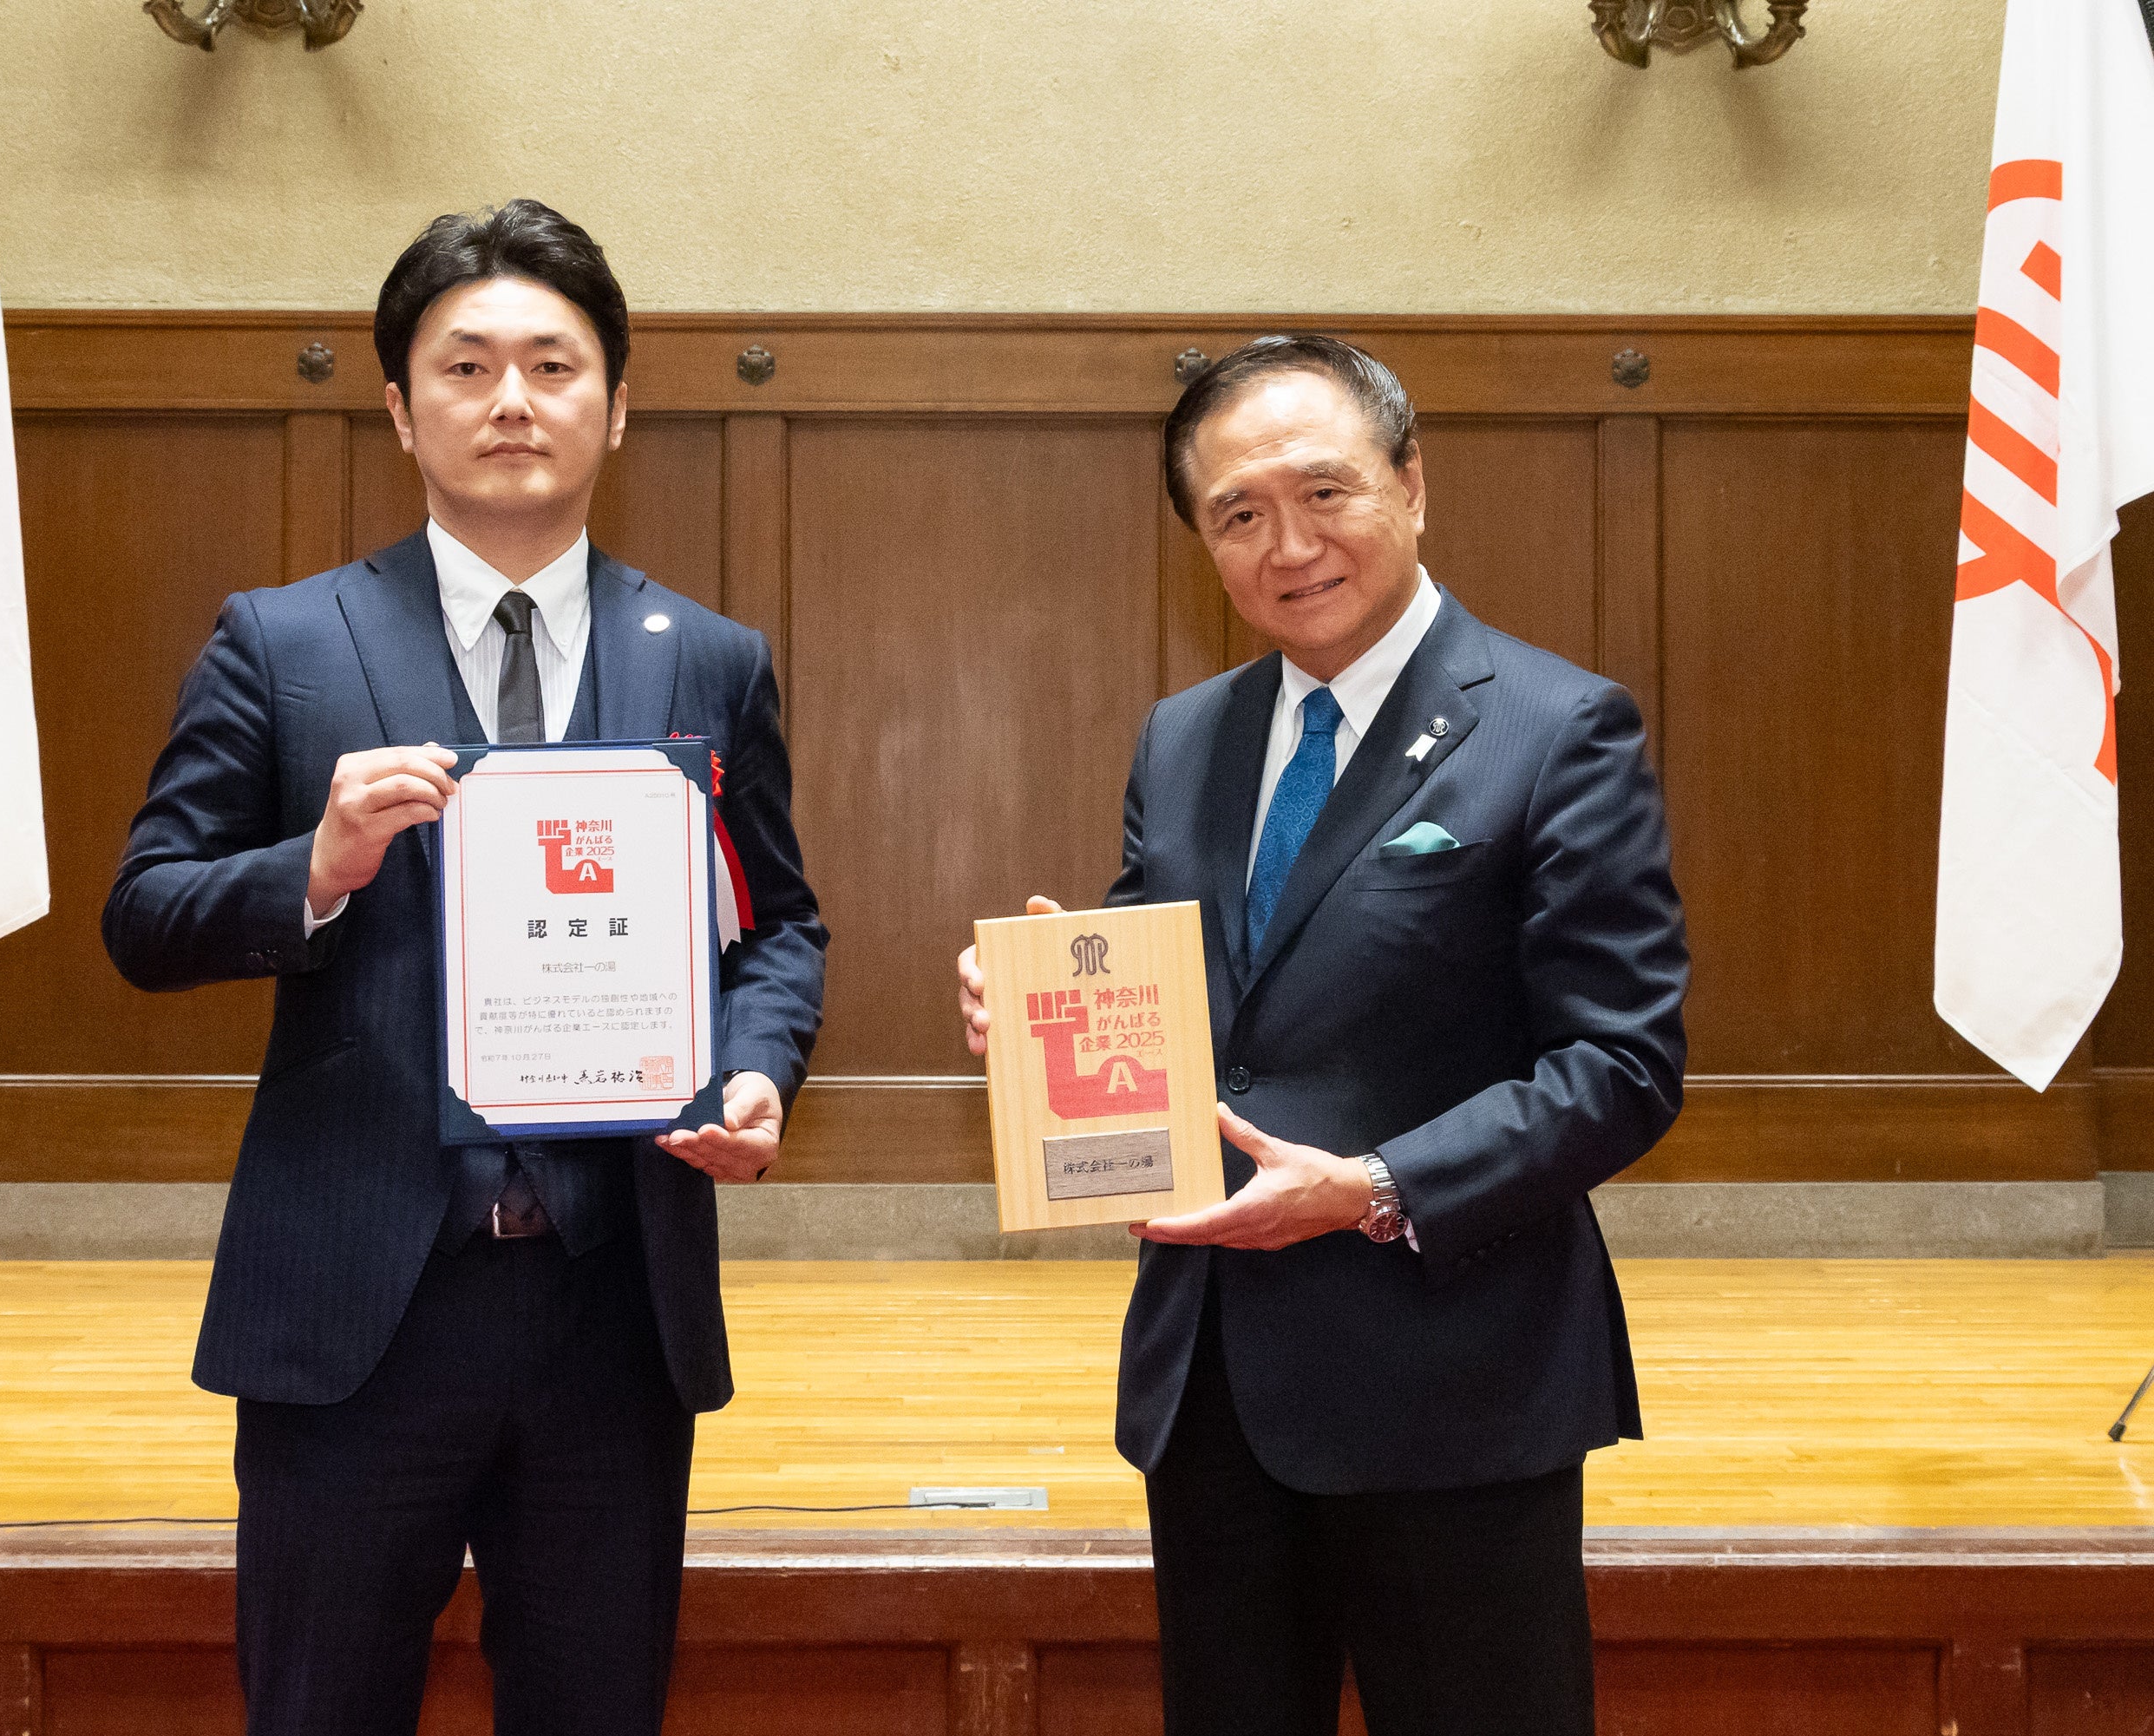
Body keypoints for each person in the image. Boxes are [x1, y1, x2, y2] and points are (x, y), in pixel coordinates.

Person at [105, 199, 827, 1736]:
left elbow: (774, 925)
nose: (512, 401)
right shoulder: (283, 642)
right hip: (355, 1304)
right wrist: (314, 866)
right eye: (467, 365)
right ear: (399, 406)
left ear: (616, 407)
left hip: (609, 1307)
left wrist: (757, 1068)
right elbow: (147, 913)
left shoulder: (708, 657)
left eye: (554, 366)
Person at [957, 334, 1687, 1736]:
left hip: (1454, 1387)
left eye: (1324, 491)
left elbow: (1622, 1065)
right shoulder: (1186, 735)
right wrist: (1045, 1013)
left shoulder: (1557, 727)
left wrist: (1371, 1187)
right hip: (1215, 1387)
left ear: (1412, 482)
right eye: (1238, 513)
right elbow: (1191, 997)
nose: (1288, 545)